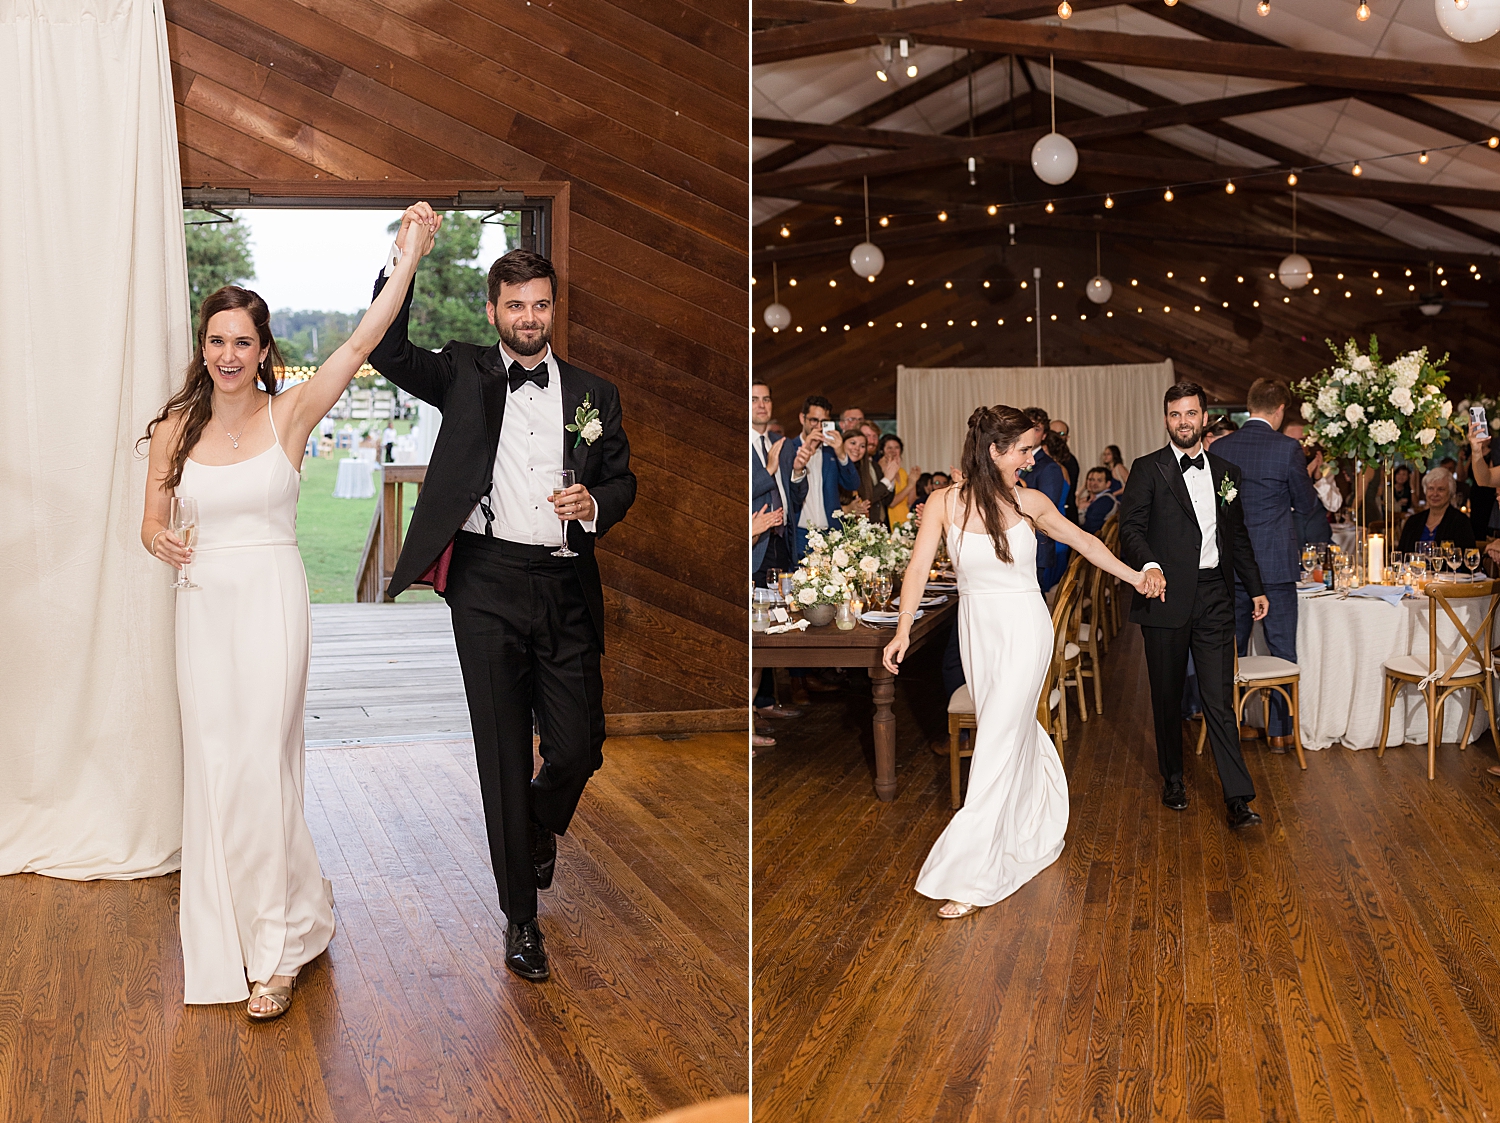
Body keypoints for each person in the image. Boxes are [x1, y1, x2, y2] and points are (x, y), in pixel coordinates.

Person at [138, 207, 440, 1018]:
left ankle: (275, 955)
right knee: (216, 768)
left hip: (272, 598)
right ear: (202, 349)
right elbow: (149, 524)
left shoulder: (292, 414)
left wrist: (406, 256)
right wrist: (161, 543)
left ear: (264, 350)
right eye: (216, 340)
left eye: (243, 341)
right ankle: (279, 906)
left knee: (265, 764)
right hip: (201, 607)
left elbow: (360, 340)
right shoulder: (173, 428)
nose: (228, 354)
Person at [367, 210, 637, 983]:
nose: (528, 318)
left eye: (540, 305)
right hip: (484, 583)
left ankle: (541, 820)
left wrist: (596, 504)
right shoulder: (462, 372)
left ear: (554, 309)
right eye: (514, 305)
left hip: (564, 582)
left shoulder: (594, 392)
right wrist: (406, 257)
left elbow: (623, 478)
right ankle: (522, 918)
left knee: (579, 746)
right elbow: (386, 346)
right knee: (498, 750)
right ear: (494, 312)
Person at [881, 406, 1152, 919]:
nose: (1033, 458)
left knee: (996, 741)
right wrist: (901, 630)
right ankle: (1037, 817)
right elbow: (918, 568)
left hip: (1026, 629)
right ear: (995, 451)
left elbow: (1085, 541)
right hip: (978, 634)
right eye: (1025, 450)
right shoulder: (942, 502)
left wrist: (1135, 576)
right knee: (1008, 733)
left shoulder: (1030, 500)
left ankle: (971, 873)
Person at [1118, 381, 1267, 828]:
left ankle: (1238, 797)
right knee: (1166, 696)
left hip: (1215, 596)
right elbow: (1131, 529)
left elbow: (1236, 536)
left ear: (1204, 417)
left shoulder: (1226, 472)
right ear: (1167, 420)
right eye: (1175, 414)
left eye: (1191, 413)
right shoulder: (1148, 469)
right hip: (1162, 597)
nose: (1183, 421)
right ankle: (1174, 778)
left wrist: (1255, 587)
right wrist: (1148, 565)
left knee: (1219, 699)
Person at [1207, 378, 1320, 754]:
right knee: (1282, 649)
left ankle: (1236, 726)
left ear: (1250, 405)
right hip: (1274, 566)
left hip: (1232, 567)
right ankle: (1279, 731)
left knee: (1231, 651)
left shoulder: (1222, 447)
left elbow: (1218, 507)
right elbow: (1305, 506)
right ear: (1280, 410)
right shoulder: (1288, 449)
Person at [751, 382, 797, 747]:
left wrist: (794, 472)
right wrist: (768, 468)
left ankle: (761, 708)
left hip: (780, 543)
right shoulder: (747, 444)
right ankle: (747, 725)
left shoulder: (775, 442)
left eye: (766, 398)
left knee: (770, 632)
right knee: (755, 634)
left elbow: (789, 492)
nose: (762, 404)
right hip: (754, 543)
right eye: (754, 399)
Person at [787, 395, 858, 560]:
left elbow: (852, 483)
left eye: (823, 422)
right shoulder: (789, 448)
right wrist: (805, 451)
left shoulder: (831, 451)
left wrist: (841, 452)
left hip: (830, 533)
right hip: (800, 533)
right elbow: (790, 491)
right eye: (813, 420)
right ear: (801, 418)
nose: (818, 427)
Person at [1018, 407, 1069, 592]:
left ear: (1045, 435)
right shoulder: (1014, 459)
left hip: (1036, 547)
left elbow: (1045, 511)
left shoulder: (1049, 468)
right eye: (1027, 427)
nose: (1031, 432)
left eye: (1037, 428)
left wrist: (1021, 488)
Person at [1397, 467, 1476, 554]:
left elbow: (1467, 559)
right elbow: (1401, 557)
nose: (1435, 494)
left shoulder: (1461, 522)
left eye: (1441, 489)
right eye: (1430, 489)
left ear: (1450, 492)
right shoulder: (1413, 522)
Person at [878, 434, 918, 526]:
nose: (893, 451)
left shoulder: (902, 471)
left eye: (896, 447)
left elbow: (910, 501)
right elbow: (891, 502)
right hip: (888, 518)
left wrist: (913, 481)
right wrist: (909, 486)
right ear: (882, 450)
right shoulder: (881, 470)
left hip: (905, 518)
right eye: (889, 448)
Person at [1299, 447, 1334, 546]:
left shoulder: (1323, 469)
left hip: (1320, 542)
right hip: (1292, 543)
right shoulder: (1278, 470)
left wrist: (1319, 479)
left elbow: (1334, 505)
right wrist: (1306, 476)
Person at [1048, 419, 1081, 521]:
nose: (1056, 437)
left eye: (1061, 433)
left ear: (1067, 438)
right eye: (1053, 433)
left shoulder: (1069, 462)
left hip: (1064, 516)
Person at [1076, 466, 1119, 534]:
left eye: (1099, 480)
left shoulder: (1105, 501)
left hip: (1093, 539)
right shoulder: (1099, 499)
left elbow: (1091, 526)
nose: (1094, 483)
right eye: (1092, 480)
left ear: (1108, 483)